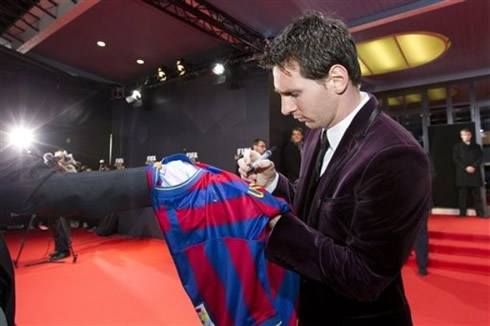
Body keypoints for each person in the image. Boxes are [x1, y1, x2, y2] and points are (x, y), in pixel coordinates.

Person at [238, 11, 431, 325]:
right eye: (281, 96)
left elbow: (364, 276)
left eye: (293, 94)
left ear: (337, 80)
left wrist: (277, 228)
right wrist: (274, 182)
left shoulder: (396, 156)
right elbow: (318, 206)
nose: (286, 109)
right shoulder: (318, 131)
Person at [452, 128, 486, 217]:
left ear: (470, 135)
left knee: (477, 195)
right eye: (464, 135)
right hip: (462, 173)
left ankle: (480, 213)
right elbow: (456, 159)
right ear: (461, 136)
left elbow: (480, 157)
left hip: (474, 173)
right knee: (462, 196)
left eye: (468, 135)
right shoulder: (457, 147)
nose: (466, 136)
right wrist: (465, 167)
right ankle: (462, 213)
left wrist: (473, 166)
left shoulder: (477, 146)